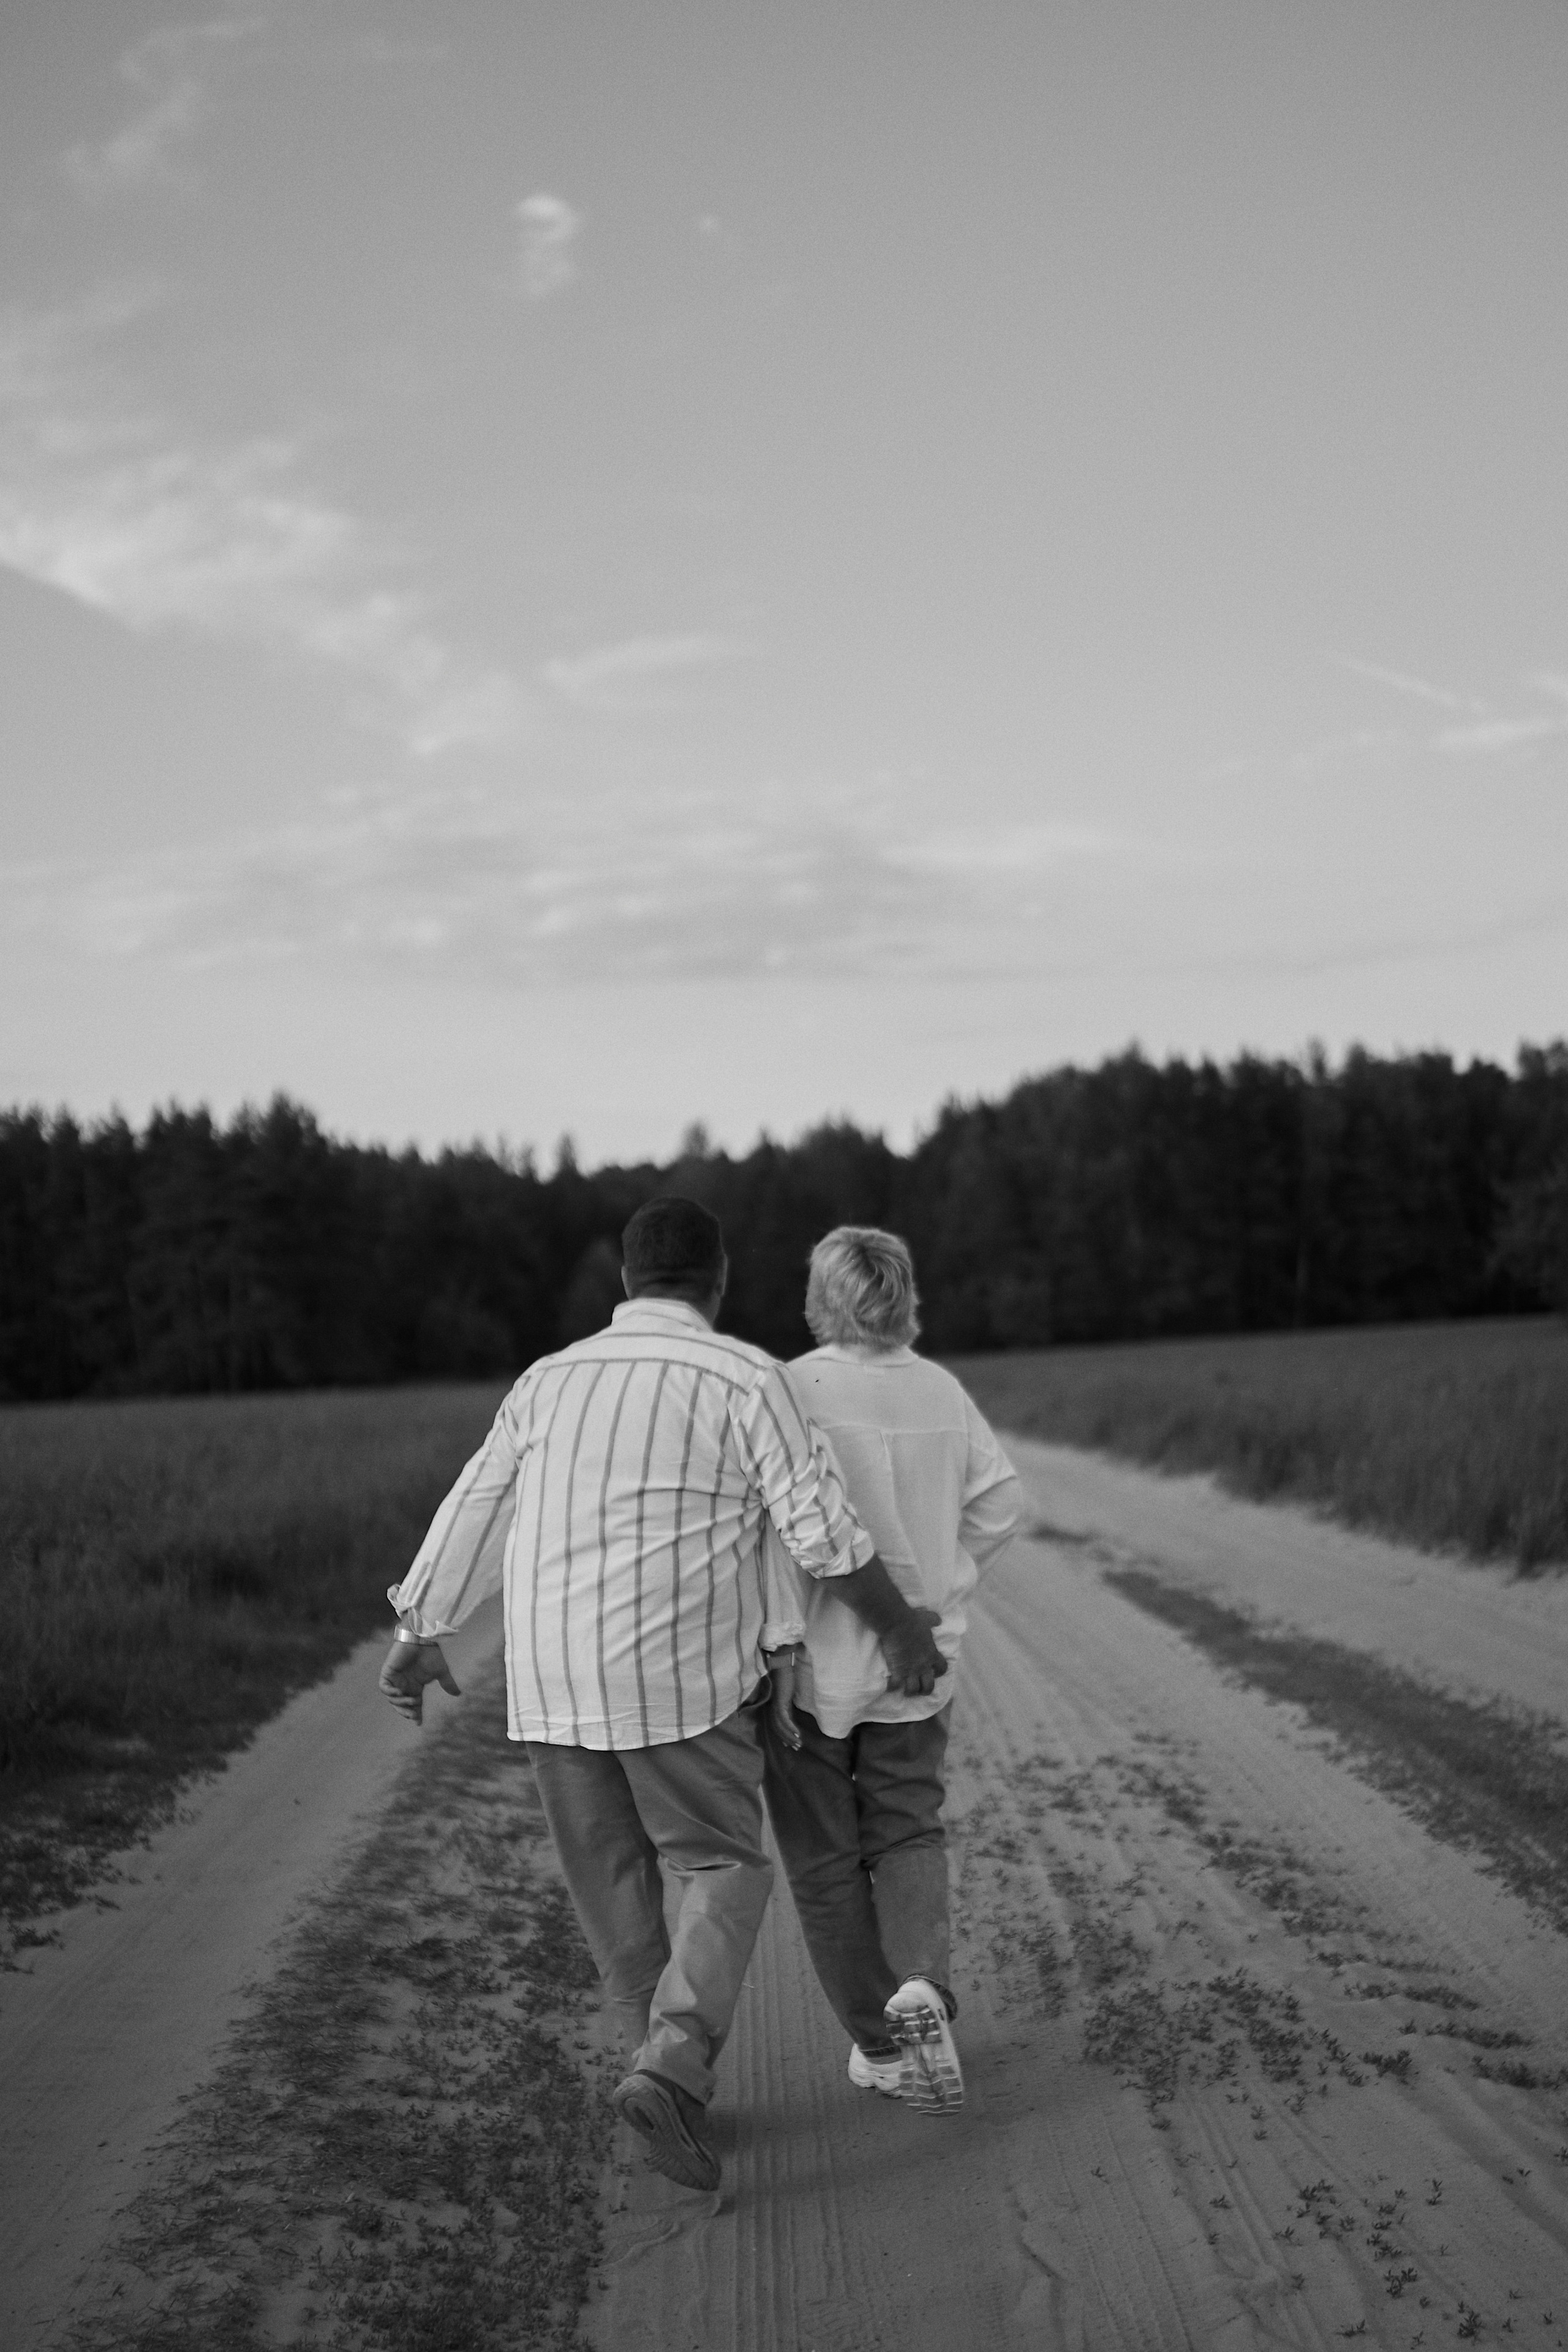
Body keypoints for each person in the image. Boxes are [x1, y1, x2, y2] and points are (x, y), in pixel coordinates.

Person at [378, 1197, 947, 2193]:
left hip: (549, 1682)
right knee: (722, 1865)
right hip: (677, 1684)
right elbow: (814, 1531)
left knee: (616, 1895)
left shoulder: (545, 1381)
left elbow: (478, 1499)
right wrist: (897, 1624)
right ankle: (671, 2071)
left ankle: (660, 2076)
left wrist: (421, 1629)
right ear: (718, 1280)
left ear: (626, 1283)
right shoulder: (743, 1375)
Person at [759, 1225, 1021, 2114]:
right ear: (903, 1293)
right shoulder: (941, 1388)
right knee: (909, 1827)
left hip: (807, 1666)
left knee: (825, 1860)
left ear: (821, 1294)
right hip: (917, 1667)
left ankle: (882, 2046)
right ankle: (918, 1984)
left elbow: (772, 1524)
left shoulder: (791, 1387)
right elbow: (1002, 1503)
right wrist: (944, 1586)